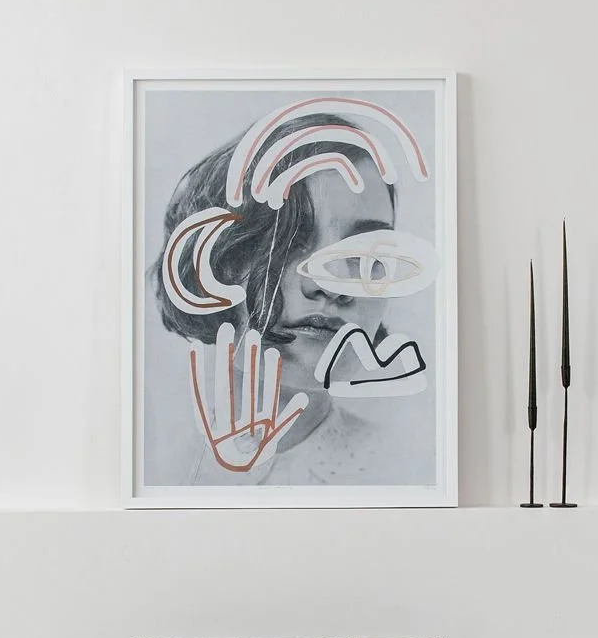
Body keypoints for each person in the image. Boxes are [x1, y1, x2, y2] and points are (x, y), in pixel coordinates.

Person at [152, 99, 435, 483]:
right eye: (287, 242)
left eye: (366, 252)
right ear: (210, 259)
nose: (333, 283)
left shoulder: (410, 472)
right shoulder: (150, 461)